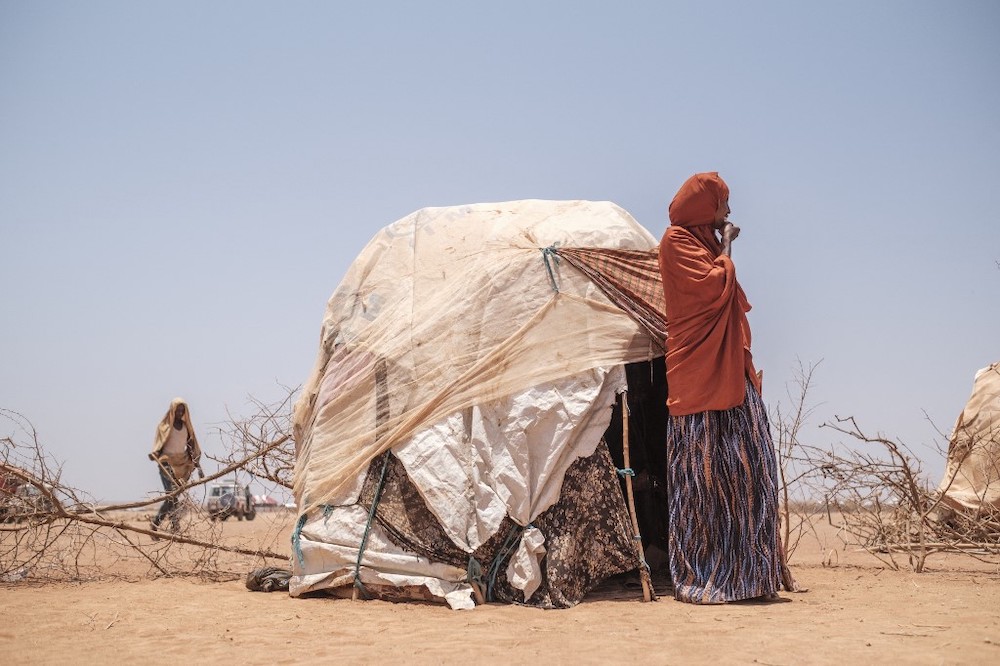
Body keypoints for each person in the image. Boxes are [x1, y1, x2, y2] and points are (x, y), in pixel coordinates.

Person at [657, 172, 791, 603]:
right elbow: (714, 286)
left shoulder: (705, 246)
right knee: (704, 481)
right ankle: (709, 576)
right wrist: (730, 248)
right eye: (722, 204)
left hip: (732, 375)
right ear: (703, 206)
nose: (728, 212)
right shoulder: (676, 243)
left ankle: (750, 576)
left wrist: (722, 247)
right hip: (698, 379)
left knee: (750, 473)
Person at [149, 398, 203, 533]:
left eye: (182, 410)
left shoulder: (186, 427)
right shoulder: (165, 426)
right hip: (167, 463)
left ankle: (161, 525)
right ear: (172, 410)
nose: (180, 412)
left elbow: (191, 448)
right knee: (171, 495)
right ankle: (169, 525)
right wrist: (154, 453)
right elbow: (159, 446)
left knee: (173, 497)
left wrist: (199, 467)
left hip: (182, 464)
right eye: (177, 410)